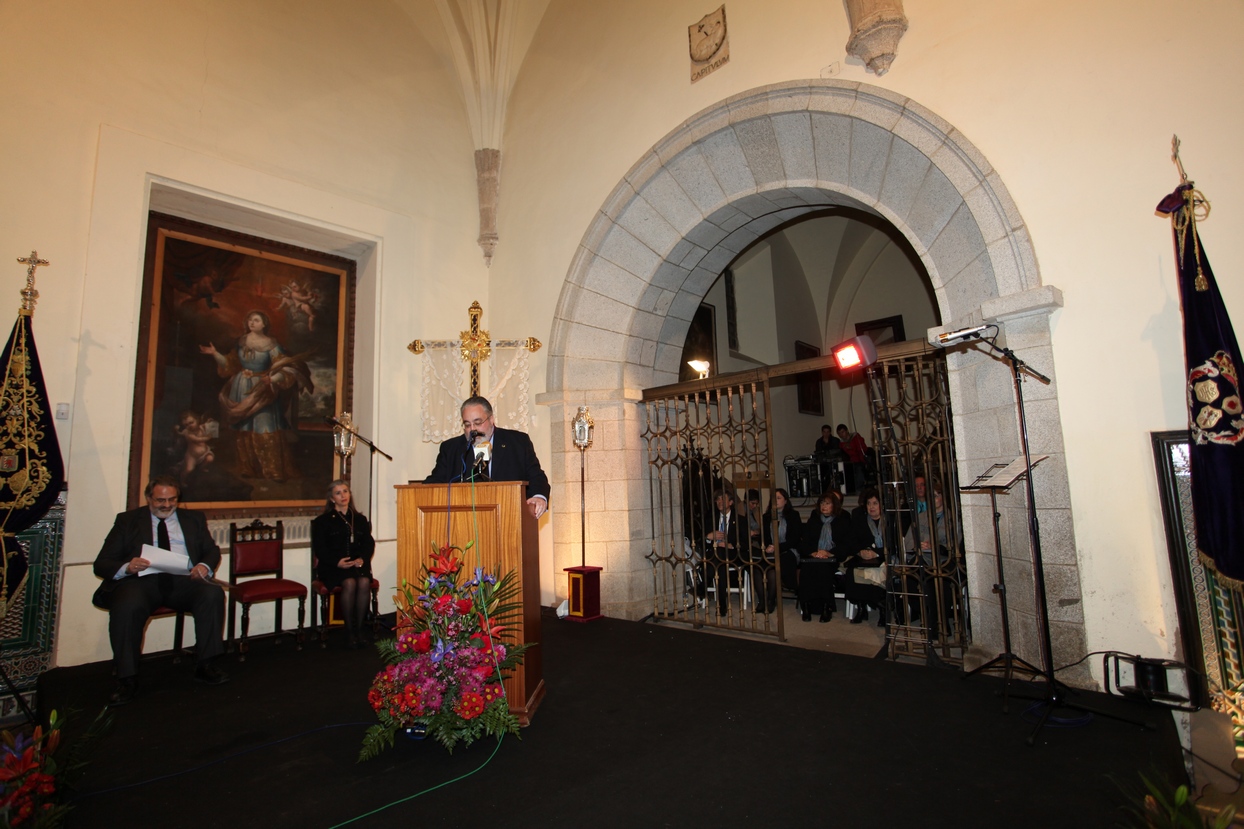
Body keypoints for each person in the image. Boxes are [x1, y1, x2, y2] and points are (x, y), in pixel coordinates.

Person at [91, 475, 229, 706]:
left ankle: (206, 664)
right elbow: (102, 563)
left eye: (171, 500)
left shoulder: (193, 518)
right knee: (127, 604)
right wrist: (127, 567)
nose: (166, 505)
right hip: (142, 582)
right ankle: (127, 678)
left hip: (183, 581)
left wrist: (204, 567)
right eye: (160, 500)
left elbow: (211, 550)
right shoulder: (127, 521)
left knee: (212, 594)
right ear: (148, 498)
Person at [200, 309, 312, 482]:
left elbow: (284, 367)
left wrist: (273, 378)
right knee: (244, 429)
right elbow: (230, 364)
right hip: (240, 386)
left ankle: (273, 470)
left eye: (256, 320)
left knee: (265, 427)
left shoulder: (272, 345)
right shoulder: (241, 342)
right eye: (250, 320)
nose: (252, 323)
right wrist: (215, 354)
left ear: (264, 324)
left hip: (262, 388)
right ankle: (247, 468)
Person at [424, 395, 550, 518]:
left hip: (509, 518)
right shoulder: (451, 448)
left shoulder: (517, 442)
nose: (473, 429)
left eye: (478, 423)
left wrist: (539, 497)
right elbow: (435, 482)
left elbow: (536, 476)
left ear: (491, 419)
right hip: (464, 522)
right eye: (467, 425)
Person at [310, 479, 376, 648]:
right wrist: (337, 562)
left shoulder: (360, 518)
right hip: (333, 566)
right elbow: (321, 549)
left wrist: (363, 557)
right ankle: (348, 631)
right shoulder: (322, 521)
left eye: (345, 491)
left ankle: (359, 629)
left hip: (357, 564)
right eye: (338, 493)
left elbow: (369, 543)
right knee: (349, 582)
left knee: (363, 581)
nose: (343, 496)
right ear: (332, 499)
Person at [798, 490, 852, 622]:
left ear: (834, 506)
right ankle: (806, 605)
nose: (824, 506)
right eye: (822, 503)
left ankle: (826, 606)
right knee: (806, 569)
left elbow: (845, 545)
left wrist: (828, 552)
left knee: (823, 569)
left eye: (828, 503)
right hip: (813, 556)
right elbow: (804, 542)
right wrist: (814, 552)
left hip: (831, 557)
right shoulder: (814, 520)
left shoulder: (842, 522)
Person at [846, 488, 888, 626]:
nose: (872, 507)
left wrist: (877, 553)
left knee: (877, 571)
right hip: (864, 556)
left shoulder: (890, 520)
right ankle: (861, 607)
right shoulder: (860, 520)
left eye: (875, 503)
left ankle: (882, 610)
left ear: (882, 505)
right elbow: (851, 541)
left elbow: (897, 544)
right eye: (869, 503)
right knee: (853, 570)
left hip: (885, 555)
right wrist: (860, 552)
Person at [762, 488, 803, 594]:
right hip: (771, 550)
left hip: (789, 549)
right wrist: (768, 546)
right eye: (773, 498)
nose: (775, 500)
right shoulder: (766, 517)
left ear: (785, 501)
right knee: (763, 564)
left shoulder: (793, 516)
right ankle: (769, 598)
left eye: (779, 498)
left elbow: (794, 538)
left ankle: (791, 585)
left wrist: (778, 547)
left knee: (784, 560)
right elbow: (764, 537)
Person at [837, 424, 868, 494]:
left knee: (858, 469)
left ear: (847, 431)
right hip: (850, 462)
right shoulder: (841, 443)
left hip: (860, 460)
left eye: (843, 432)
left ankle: (859, 489)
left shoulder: (855, 437)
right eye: (839, 433)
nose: (841, 435)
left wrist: (851, 448)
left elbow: (863, 449)